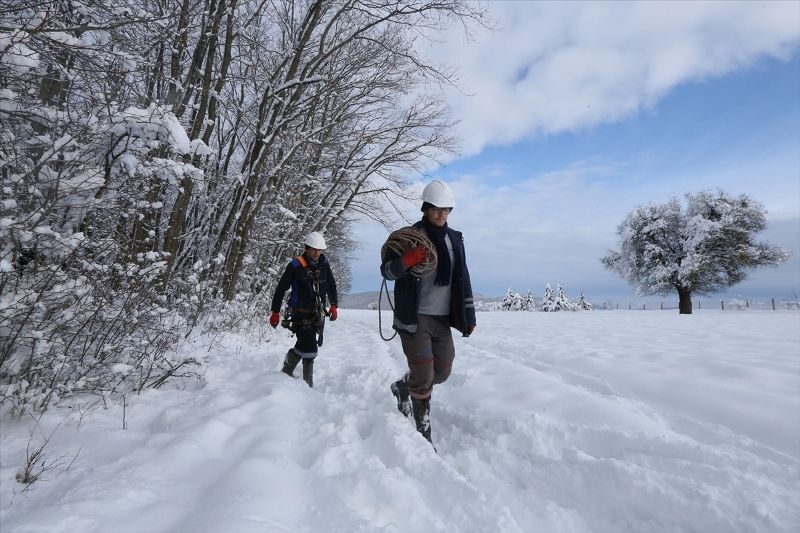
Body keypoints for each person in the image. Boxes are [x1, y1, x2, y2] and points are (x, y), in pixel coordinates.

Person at [379, 180, 476, 446]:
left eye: (447, 209)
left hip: (442, 318)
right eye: (436, 209)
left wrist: (469, 316)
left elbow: (462, 277)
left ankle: (403, 387)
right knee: (424, 376)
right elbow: (386, 272)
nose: (442, 214)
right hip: (415, 316)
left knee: (442, 372)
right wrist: (406, 261)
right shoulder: (409, 237)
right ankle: (424, 434)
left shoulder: (455, 239)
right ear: (425, 208)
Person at [269, 231, 338, 388]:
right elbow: (280, 289)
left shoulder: (324, 263)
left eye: (320, 250)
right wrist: (275, 312)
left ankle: (286, 370)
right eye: (314, 249)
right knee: (311, 347)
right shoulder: (295, 265)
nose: (317, 253)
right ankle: (308, 386)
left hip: (316, 314)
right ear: (306, 248)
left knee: (305, 344)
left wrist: (333, 305)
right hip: (299, 313)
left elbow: (331, 284)